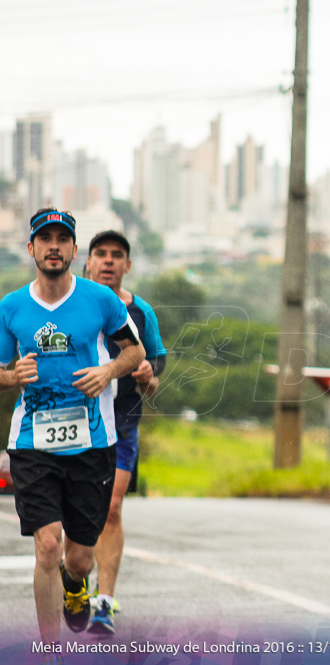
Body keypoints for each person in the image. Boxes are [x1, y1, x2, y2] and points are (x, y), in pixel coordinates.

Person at [0, 209, 144, 646]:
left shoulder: (101, 300)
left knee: (78, 557)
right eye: (45, 239)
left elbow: (134, 353)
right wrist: (11, 377)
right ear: (31, 249)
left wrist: (107, 373)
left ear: (73, 250)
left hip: (92, 441)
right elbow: (0, 370)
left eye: (63, 239)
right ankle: (50, 649)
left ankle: (77, 583)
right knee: (47, 544)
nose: (54, 247)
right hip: (33, 440)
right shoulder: (10, 307)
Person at [84, 230, 166, 635]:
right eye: (100, 254)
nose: (109, 261)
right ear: (87, 262)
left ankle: (103, 602)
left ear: (128, 265)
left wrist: (149, 377)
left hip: (122, 423)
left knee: (111, 509)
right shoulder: (72, 305)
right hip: (77, 422)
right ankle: (75, 576)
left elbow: (155, 373)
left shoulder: (141, 313)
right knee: (76, 512)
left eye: (117, 255)